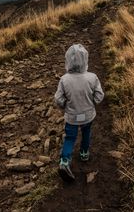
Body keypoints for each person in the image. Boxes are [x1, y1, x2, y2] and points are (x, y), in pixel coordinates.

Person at [54, 43, 104, 181]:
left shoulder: (64, 79)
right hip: (88, 115)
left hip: (72, 116)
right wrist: (92, 101)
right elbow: (99, 96)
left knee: (70, 138)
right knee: (86, 133)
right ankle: (84, 153)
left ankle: (64, 162)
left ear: (68, 60)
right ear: (85, 59)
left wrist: (65, 105)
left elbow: (58, 99)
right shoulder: (92, 77)